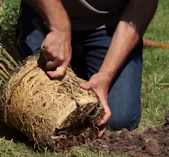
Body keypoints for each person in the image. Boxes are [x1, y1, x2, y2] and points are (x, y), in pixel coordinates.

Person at [15, 0, 159, 137]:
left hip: (108, 25)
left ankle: (81, 64)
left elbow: (142, 5)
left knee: (119, 119)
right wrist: (59, 28)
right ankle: (79, 62)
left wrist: (105, 75)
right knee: (32, 100)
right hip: (45, 15)